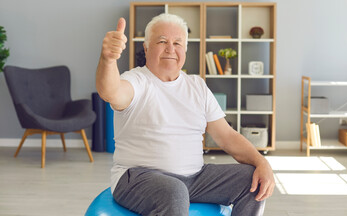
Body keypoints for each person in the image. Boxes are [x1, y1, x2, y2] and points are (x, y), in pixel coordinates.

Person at [96, 13, 275, 216]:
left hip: (195, 178)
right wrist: (108, 60)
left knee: (252, 179)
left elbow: (227, 136)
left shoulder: (196, 85)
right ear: (146, 48)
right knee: (174, 191)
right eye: (162, 41)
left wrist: (262, 162)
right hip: (138, 177)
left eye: (177, 43)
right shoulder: (136, 81)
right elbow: (110, 91)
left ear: (185, 50)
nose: (170, 49)